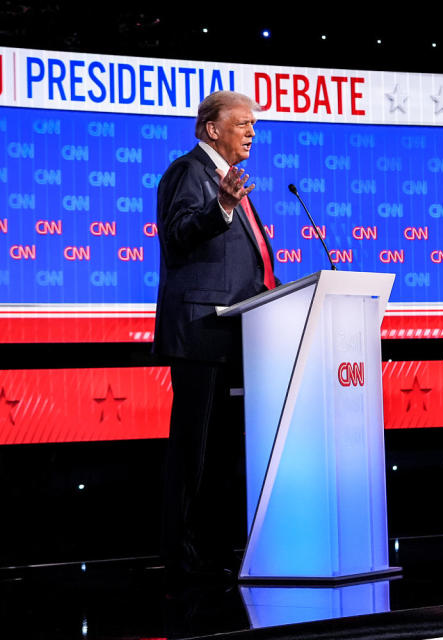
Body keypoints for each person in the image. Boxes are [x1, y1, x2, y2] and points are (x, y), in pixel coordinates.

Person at [154, 90, 278, 580]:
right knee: (193, 450)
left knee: (224, 453)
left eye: (254, 123)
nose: (252, 131)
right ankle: (181, 558)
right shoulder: (189, 172)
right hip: (202, 334)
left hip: (235, 336)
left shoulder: (228, 180)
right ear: (211, 129)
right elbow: (178, 232)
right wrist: (221, 207)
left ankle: (215, 549)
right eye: (242, 123)